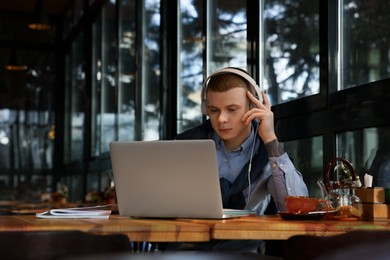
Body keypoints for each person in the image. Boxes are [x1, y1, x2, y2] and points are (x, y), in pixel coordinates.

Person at [166, 67, 309, 254]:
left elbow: (298, 208)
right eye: (213, 110)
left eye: (232, 109)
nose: (221, 119)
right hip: (186, 252)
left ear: (253, 107)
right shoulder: (183, 146)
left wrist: (270, 140)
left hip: (242, 255)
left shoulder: (267, 155)